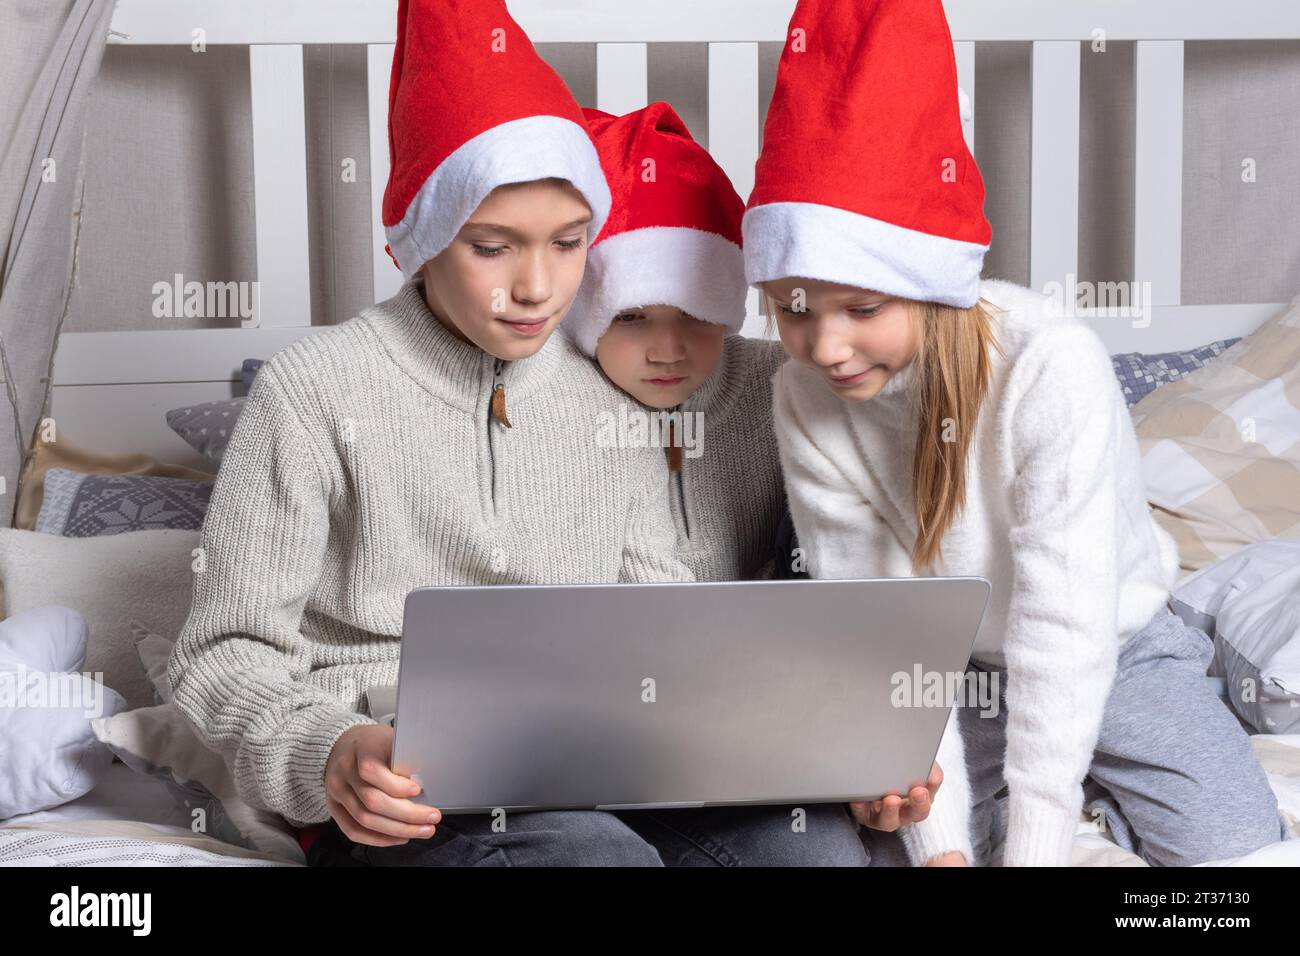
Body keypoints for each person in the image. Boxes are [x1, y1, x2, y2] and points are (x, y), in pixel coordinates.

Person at [745, 0, 1284, 866]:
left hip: (1110, 641)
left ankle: (1088, 790)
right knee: (891, 848)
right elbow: (881, 627)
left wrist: (1037, 842)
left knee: (1237, 854)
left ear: (928, 284)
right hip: (946, 673)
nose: (826, 345)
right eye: (792, 309)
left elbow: (1062, 622)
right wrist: (942, 846)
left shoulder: (1049, 365)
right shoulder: (803, 396)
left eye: (863, 307)